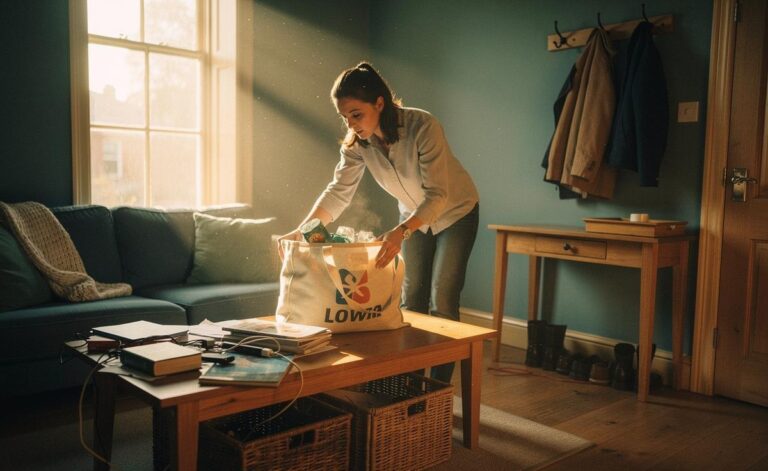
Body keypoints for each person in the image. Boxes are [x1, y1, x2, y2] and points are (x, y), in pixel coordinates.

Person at [278, 61, 479, 383]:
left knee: (442, 298)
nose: (351, 124)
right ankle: (410, 383)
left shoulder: (423, 125)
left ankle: (437, 387)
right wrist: (303, 231)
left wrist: (402, 231)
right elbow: (338, 192)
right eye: (345, 117)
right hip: (412, 216)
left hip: (455, 212)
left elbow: (438, 195)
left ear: (380, 103)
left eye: (356, 114)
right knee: (410, 301)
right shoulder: (358, 143)